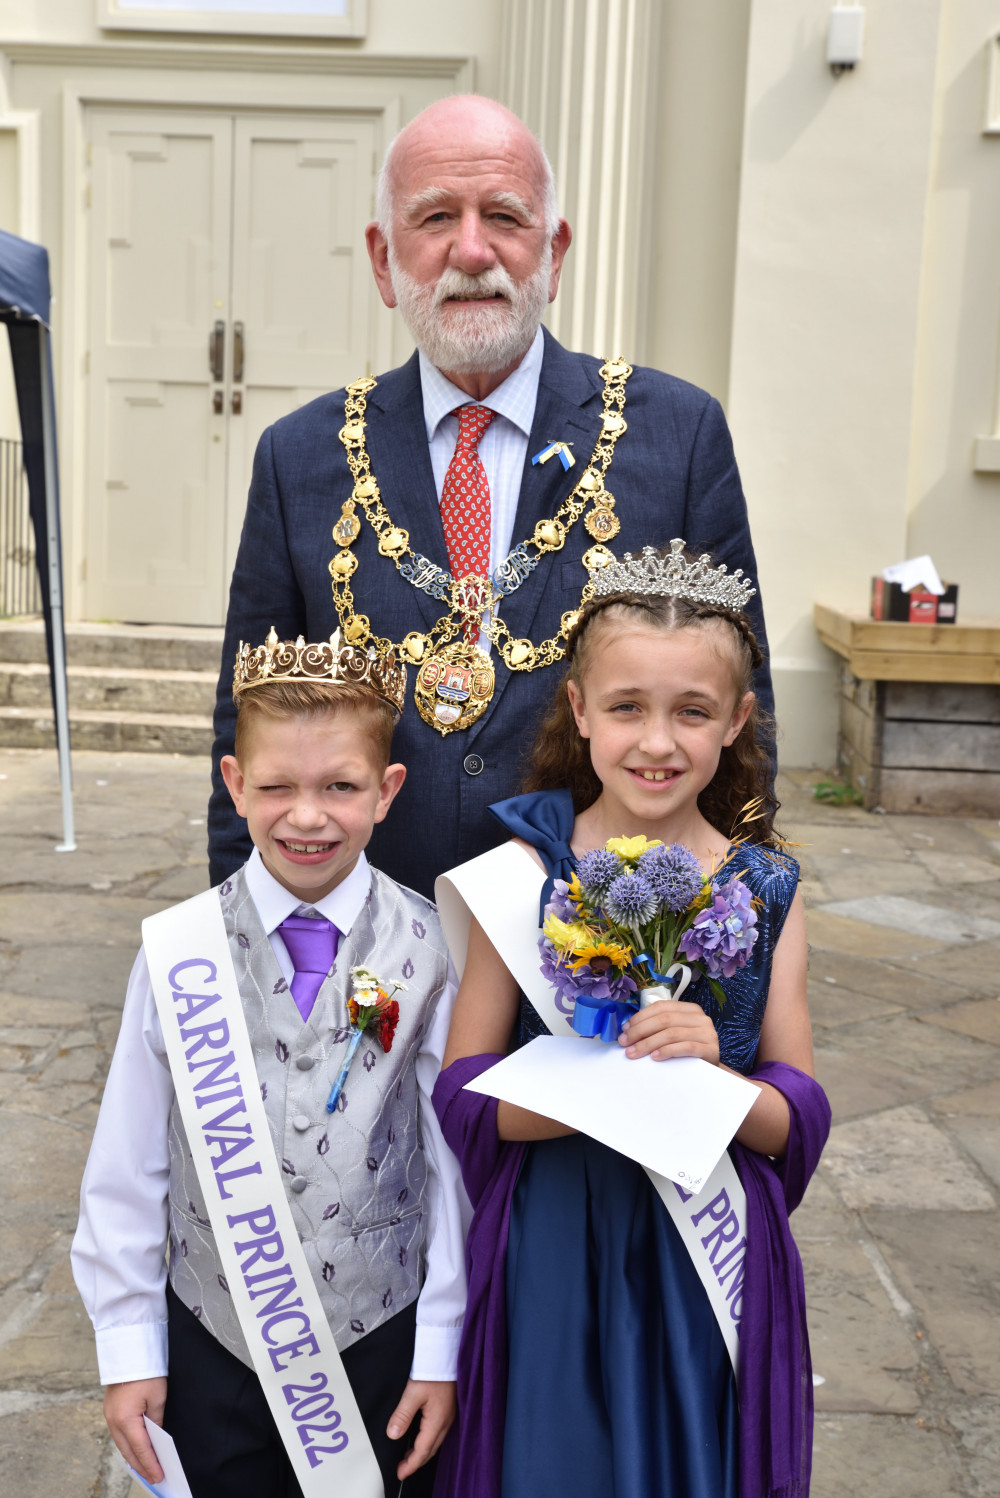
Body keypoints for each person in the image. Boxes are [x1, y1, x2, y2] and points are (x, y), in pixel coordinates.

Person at [208, 94, 774, 900]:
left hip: (599, 959)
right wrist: (246, 950)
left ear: (554, 252)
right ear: (382, 259)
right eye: (436, 217)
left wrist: (726, 958)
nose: (472, 252)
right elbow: (248, 726)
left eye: (504, 216)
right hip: (362, 955)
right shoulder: (299, 457)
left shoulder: (676, 438)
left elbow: (743, 723)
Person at [431, 545, 831, 1498]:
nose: (658, 741)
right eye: (626, 708)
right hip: (553, 1246)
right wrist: (585, 1092)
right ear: (577, 710)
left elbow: (797, 1113)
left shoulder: (765, 889)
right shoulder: (522, 874)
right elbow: (459, 1094)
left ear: (736, 722)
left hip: (707, 1263)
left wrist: (716, 1081)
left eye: (692, 711)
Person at [71, 630, 469, 1498]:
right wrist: (129, 1346)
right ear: (234, 784)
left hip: (381, 1347)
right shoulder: (177, 951)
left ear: (388, 790)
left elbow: (453, 1166)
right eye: (277, 786)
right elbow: (128, 1162)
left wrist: (441, 1347)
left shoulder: (432, 951)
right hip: (212, 1345)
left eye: (340, 787)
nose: (307, 815)